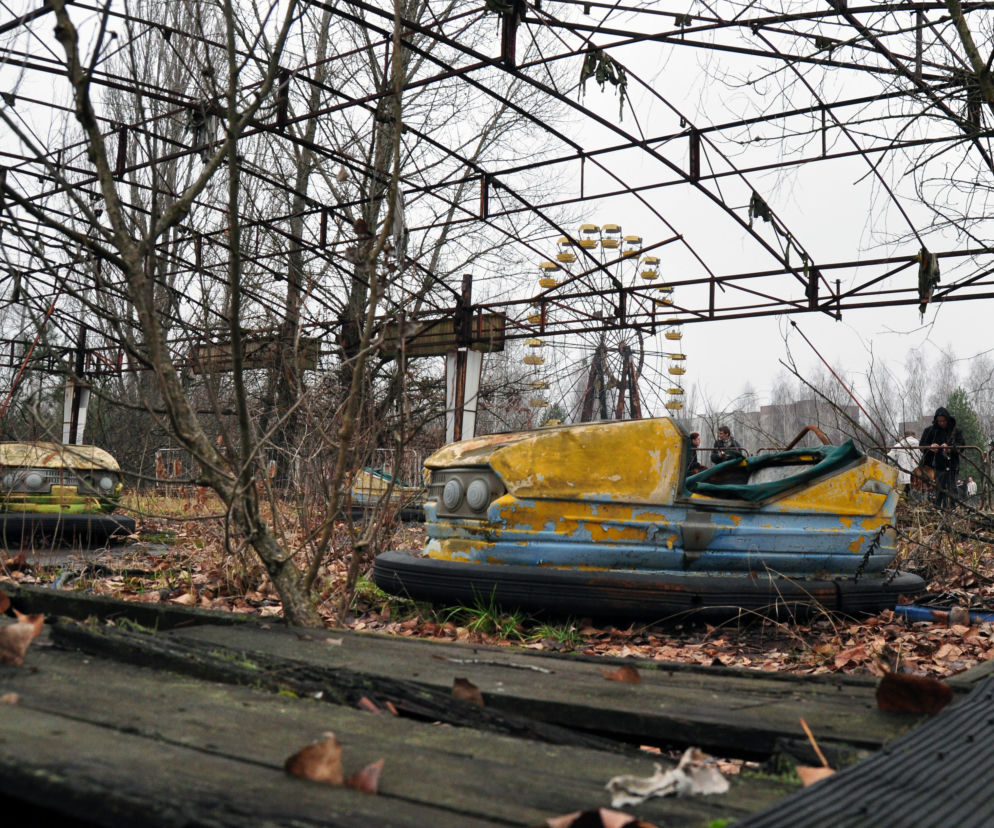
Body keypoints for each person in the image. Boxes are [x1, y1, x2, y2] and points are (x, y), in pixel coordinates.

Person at [919, 407, 965, 509]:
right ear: (936, 420)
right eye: (939, 421)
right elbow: (922, 445)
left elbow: (961, 446)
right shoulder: (930, 431)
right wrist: (930, 447)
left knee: (952, 489)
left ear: (947, 420)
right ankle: (938, 510)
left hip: (952, 465)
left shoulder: (956, 431)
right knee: (938, 490)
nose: (941, 423)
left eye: (943, 421)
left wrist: (950, 449)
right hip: (935, 466)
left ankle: (951, 511)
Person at [887, 430, 921, 497]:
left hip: (903, 474)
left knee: (903, 493)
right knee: (917, 493)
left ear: (904, 436)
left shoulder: (898, 446)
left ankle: (905, 501)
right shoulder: (920, 445)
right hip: (917, 474)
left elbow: (889, 459)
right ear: (914, 436)